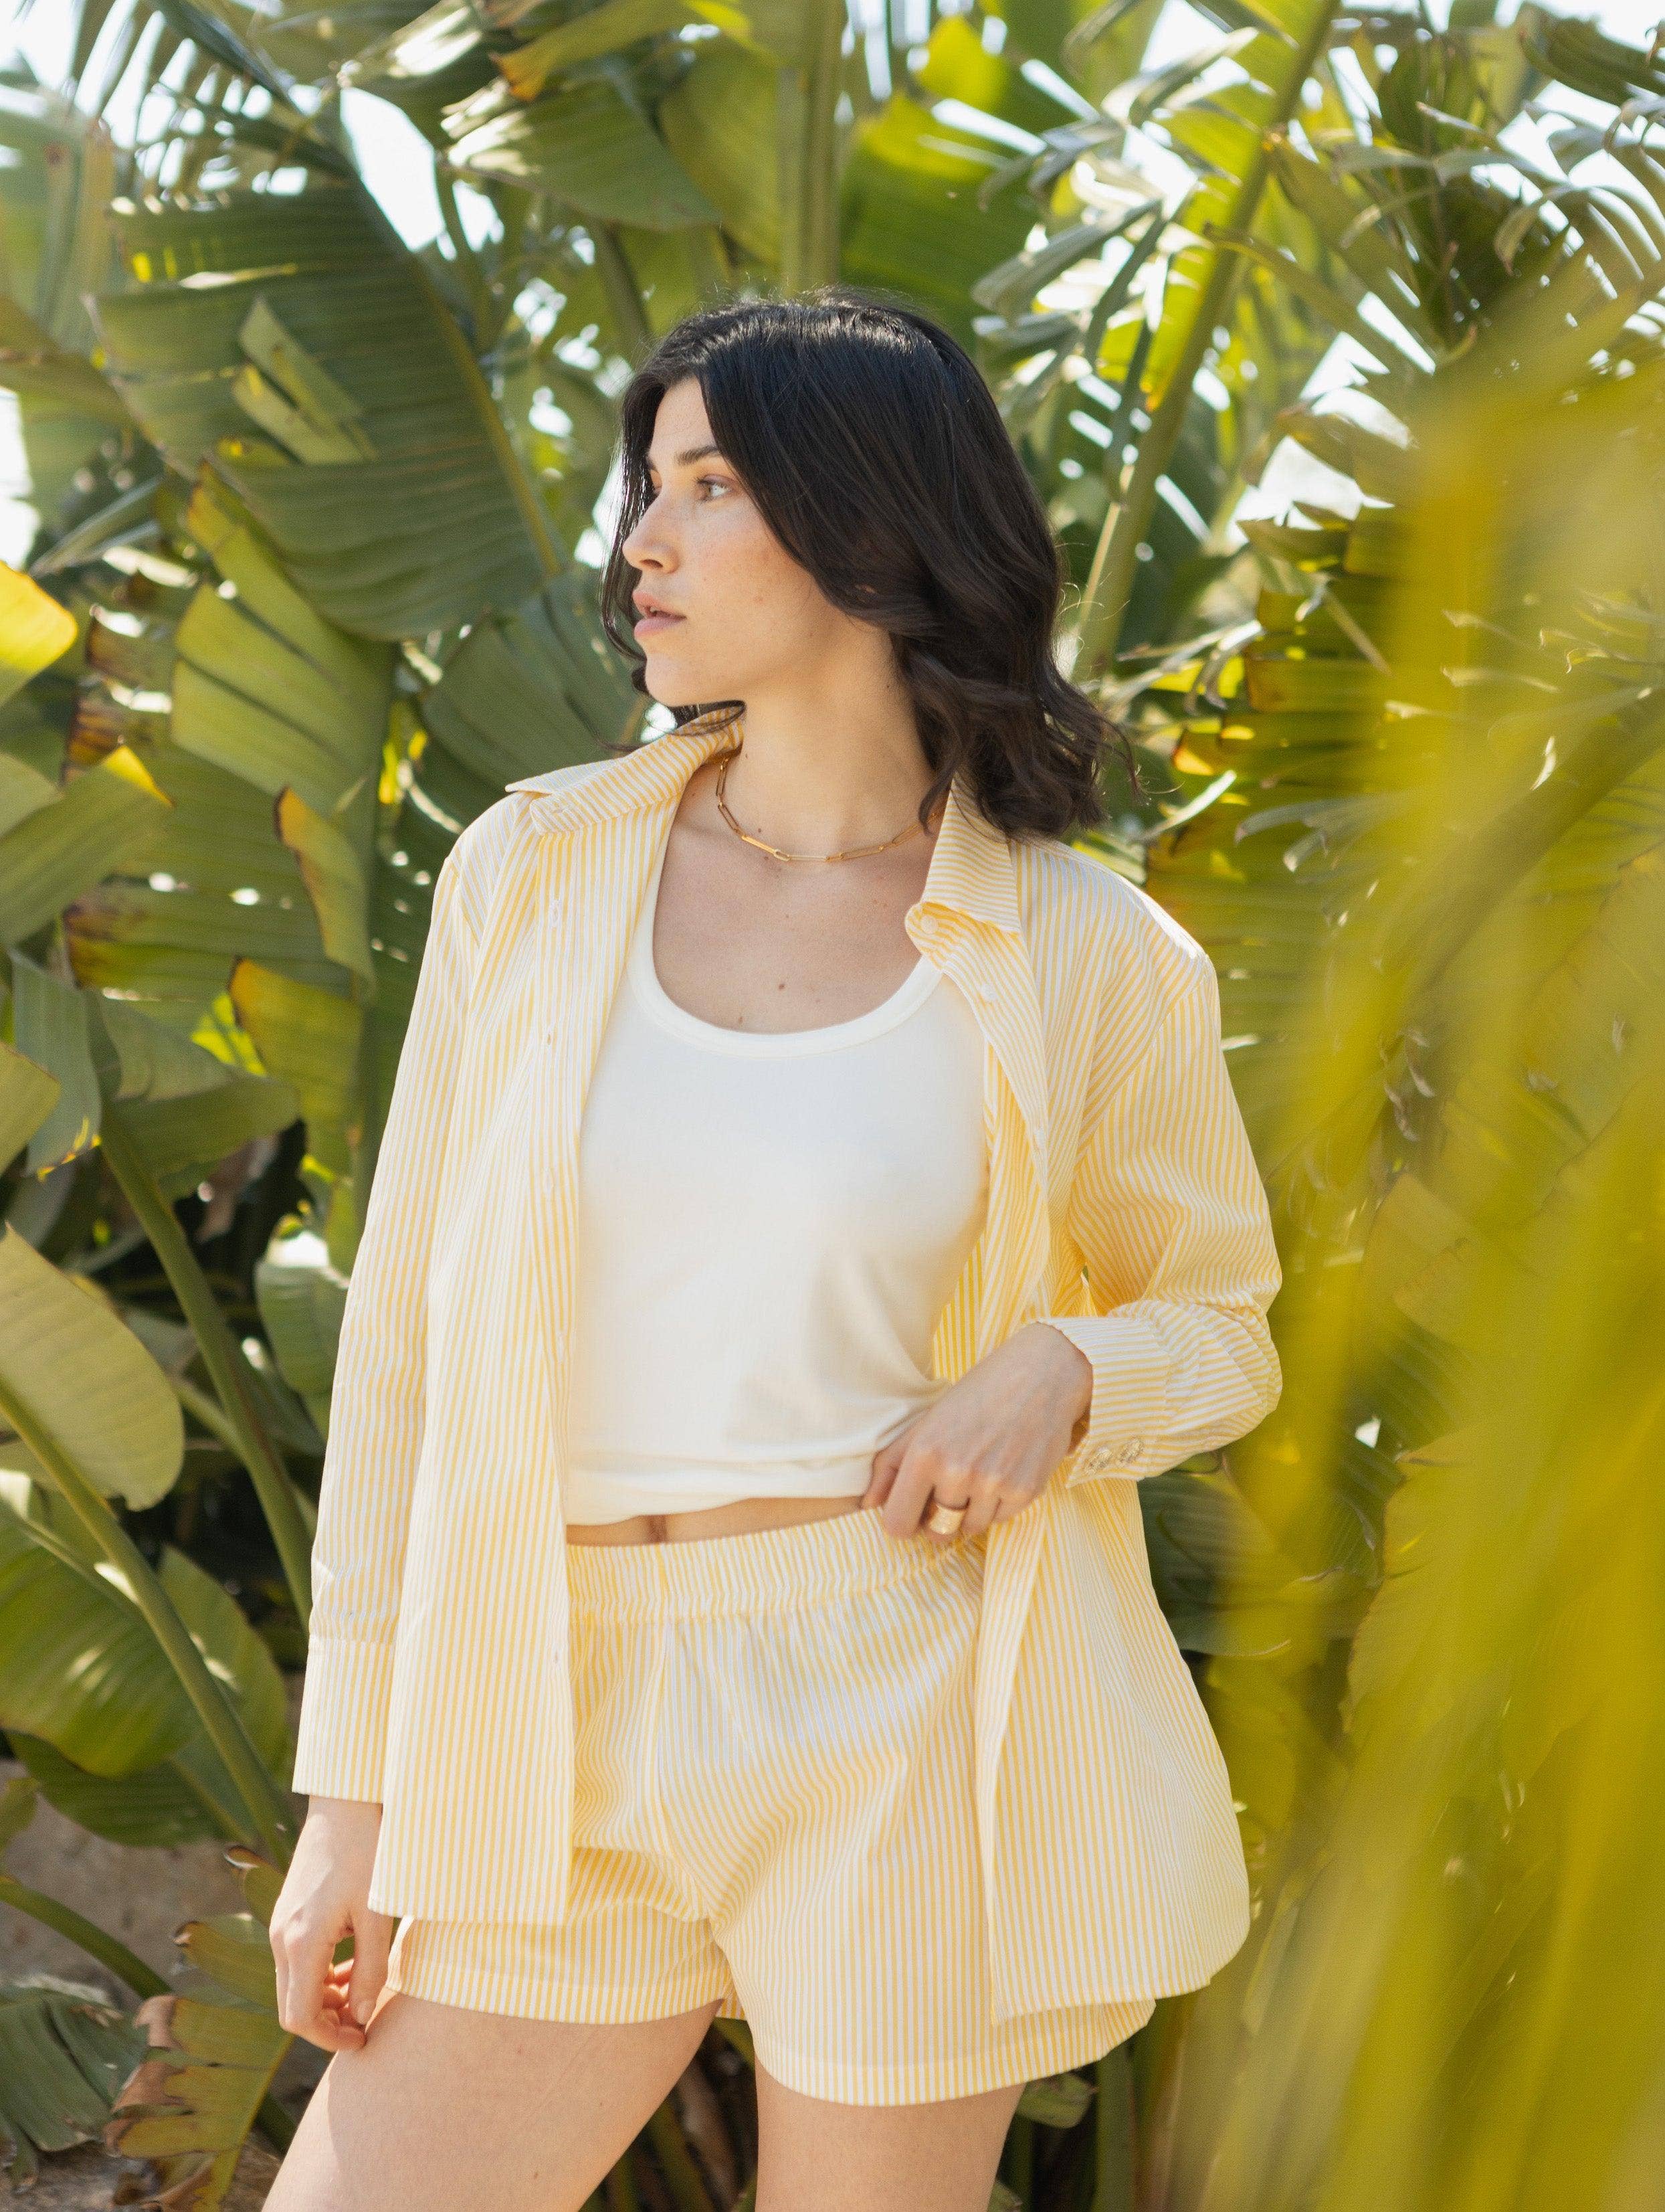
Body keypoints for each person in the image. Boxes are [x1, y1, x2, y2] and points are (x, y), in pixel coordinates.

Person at [264, 290, 1284, 2212]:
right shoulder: (533, 872)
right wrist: (353, 1797)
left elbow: (1222, 1321)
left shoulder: (1088, 950)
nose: (639, 542)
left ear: (870, 520)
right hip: (542, 1706)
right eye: (646, 486)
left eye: (709, 486)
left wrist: (1067, 1369)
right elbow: (401, 1351)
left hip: (898, 1703)